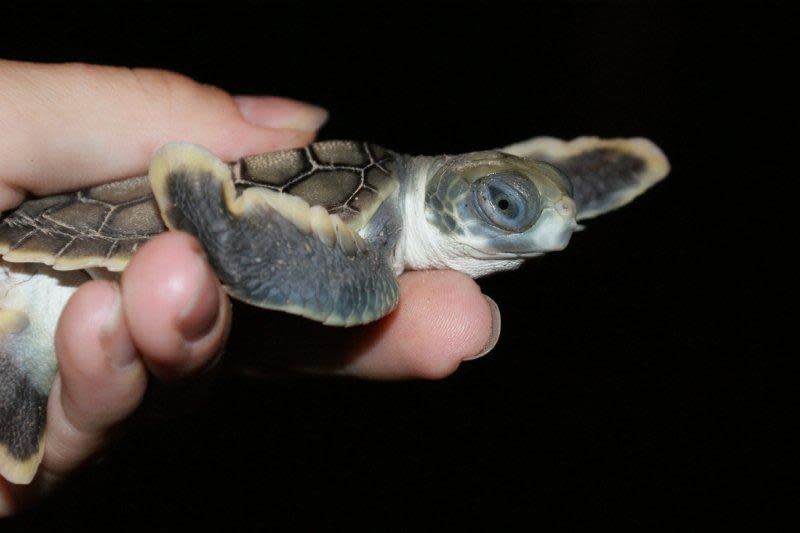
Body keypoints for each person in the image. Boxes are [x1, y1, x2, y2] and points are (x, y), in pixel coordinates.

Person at [0, 59, 500, 515]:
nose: (545, 230)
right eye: (500, 206)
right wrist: (221, 227)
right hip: (72, 245)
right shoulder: (373, 260)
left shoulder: (384, 190)